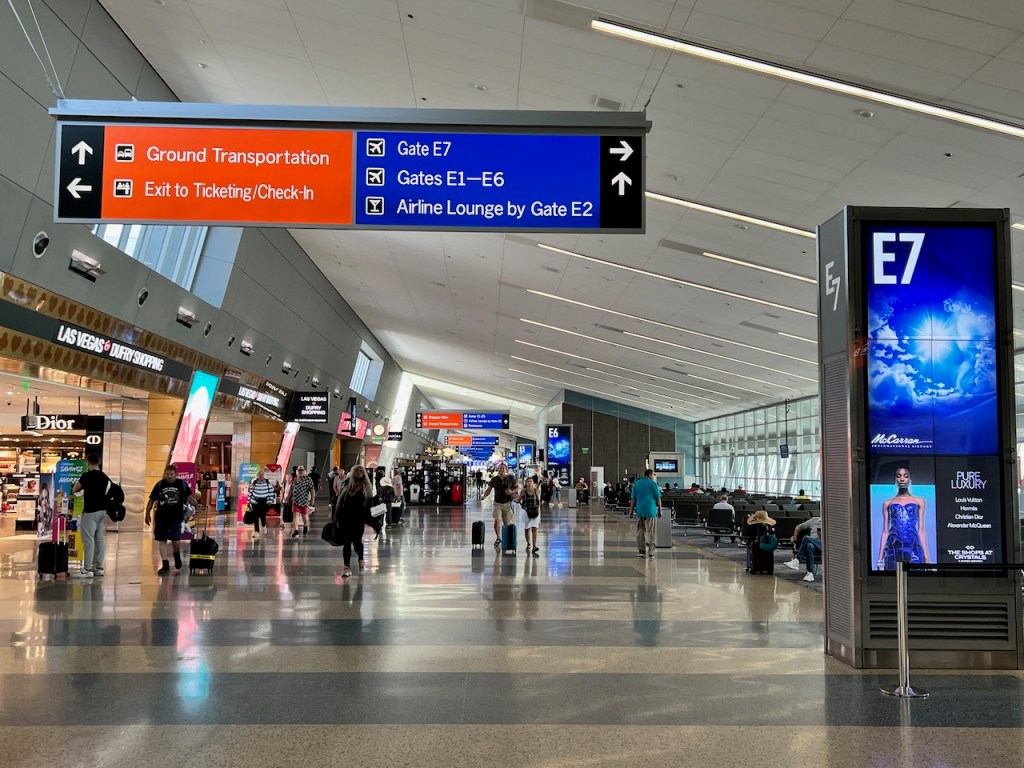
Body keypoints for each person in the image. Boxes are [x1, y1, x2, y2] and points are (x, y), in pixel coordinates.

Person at [145, 465, 197, 575]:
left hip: (176, 518)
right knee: (162, 540)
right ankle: (165, 565)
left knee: (176, 541)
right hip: (161, 518)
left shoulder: (181, 484)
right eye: (167, 474)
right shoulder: (159, 485)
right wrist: (147, 513)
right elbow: (152, 500)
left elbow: (189, 497)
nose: (169, 476)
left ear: (175, 475)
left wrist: (196, 505)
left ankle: (176, 554)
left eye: (171, 474)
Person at [877, 467, 928, 570]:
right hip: (893, 547)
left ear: (910, 480)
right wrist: (880, 560)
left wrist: (926, 557)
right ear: (895, 479)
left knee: (916, 576)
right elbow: (885, 531)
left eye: (906, 476)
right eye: (898, 476)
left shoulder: (919, 501)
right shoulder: (887, 503)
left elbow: (921, 530)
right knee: (892, 576)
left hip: (913, 547)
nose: (902, 479)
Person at [71, 454, 111, 579]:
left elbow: (75, 489)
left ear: (88, 462)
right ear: (99, 462)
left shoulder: (86, 476)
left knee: (88, 540)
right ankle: (99, 568)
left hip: (90, 511)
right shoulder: (104, 477)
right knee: (100, 539)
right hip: (102, 511)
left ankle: (87, 569)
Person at [335, 464, 373, 578]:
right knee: (346, 542)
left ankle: (361, 558)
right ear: (352, 472)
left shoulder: (366, 487)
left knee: (357, 542)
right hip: (345, 517)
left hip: (359, 518)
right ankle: (346, 567)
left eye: (361, 471)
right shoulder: (346, 484)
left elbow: (370, 503)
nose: (358, 472)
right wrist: (336, 516)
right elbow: (340, 501)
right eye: (356, 470)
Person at [629, 469, 662, 559]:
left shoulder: (636, 484)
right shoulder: (653, 484)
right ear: (649, 474)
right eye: (653, 475)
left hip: (640, 510)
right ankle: (651, 552)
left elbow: (633, 499)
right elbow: (658, 498)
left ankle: (641, 551)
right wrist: (660, 509)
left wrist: (631, 510)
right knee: (651, 531)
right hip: (651, 510)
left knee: (640, 530)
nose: (653, 476)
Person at [481, 463, 515, 549]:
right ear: (498, 470)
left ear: (506, 470)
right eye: (500, 468)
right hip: (497, 504)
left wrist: (512, 491)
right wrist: (484, 496)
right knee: (497, 520)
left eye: (503, 468)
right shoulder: (494, 479)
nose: (501, 470)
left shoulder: (510, 478)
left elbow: (517, 487)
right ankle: (498, 537)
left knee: (507, 523)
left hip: (507, 504)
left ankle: (506, 539)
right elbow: (489, 489)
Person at [786, 515, 822, 582]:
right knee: (809, 546)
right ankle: (810, 573)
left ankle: (797, 560)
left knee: (806, 538)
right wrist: (795, 536)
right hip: (813, 544)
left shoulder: (832, 522)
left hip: (825, 546)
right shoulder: (814, 520)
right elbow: (798, 527)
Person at [248, 468, 274, 540]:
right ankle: (256, 532)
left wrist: (270, 501)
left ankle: (264, 525)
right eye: (259, 475)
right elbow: (250, 492)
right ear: (257, 476)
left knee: (262, 515)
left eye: (262, 475)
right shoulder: (254, 482)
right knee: (255, 517)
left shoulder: (267, 482)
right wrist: (248, 502)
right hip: (255, 502)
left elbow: (271, 491)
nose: (261, 476)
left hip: (264, 502)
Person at [289, 466, 316, 538]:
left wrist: (312, 500)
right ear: (297, 471)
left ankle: (306, 525)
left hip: (304, 502)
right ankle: (296, 532)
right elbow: (291, 489)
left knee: (305, 517)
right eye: (299, 470)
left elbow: (312, 490)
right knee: (295, 517)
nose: (300, 471)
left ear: (304, 471)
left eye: (302, 470)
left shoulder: (308, 479)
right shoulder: (294, 479)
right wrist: (288, 498)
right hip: (295, 501)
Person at [519, 476, 541, 556]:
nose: (529, 483)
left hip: (535, 511)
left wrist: (538, 508)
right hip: (526, 511)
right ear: (526, 483)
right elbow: (519, 499)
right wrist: (515, 498)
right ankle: (528, 543)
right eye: (528, 481)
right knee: (527, 528)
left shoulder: (536, 490)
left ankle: (534, 546)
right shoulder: (523, 491)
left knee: (534, 528)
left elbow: (538, 500)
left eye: (531, 481)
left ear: (533, 483)